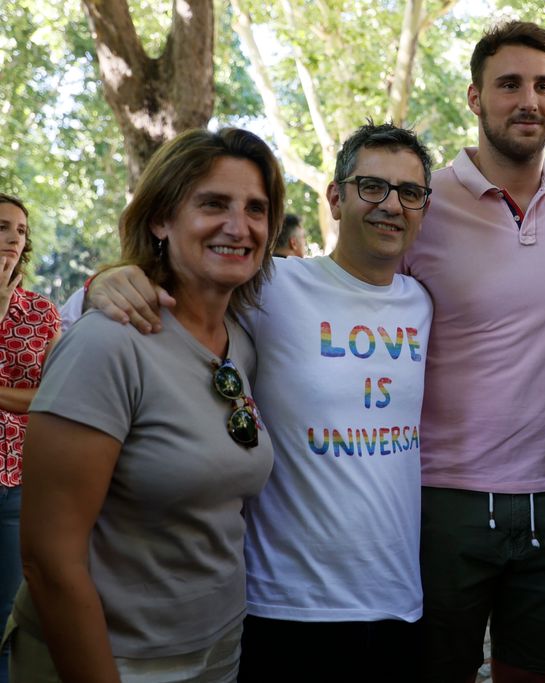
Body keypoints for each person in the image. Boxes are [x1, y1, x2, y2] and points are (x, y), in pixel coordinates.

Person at [84, 122, 434, 681]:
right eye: (372, 186)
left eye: (409, 192)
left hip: (399, 600)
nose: (391, 205)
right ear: (336, 198)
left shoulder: (422, 301)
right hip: (285, 606)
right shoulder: (270, 285)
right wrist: (110, 281)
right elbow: (172, 285)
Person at [8, 127, 280, 681]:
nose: (239, 225)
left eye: (256, 208)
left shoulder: (242, 343)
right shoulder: (107, 343)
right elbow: (48, 560)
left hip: (217, 649)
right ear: (160, 220)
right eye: (212, 204)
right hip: (110, 657)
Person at [403, 21, 545, 682]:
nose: (530, 99)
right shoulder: (422, 205)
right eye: (510, 84)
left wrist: (541, 377)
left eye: (544, 85)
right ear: (474, 97)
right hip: (441, 493)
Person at [0, 194, 60, 683]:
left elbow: (51, 397)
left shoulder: (41, 313)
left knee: (7, 615)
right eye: (3, 227)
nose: (13, 239)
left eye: (20, 231)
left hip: (17, 478)